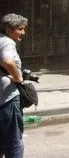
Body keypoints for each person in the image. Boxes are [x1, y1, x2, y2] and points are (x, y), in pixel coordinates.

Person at [0, 14, 26, 158]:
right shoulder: (7, 43)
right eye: (20, 29)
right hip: (7, 100)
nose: (23, 33)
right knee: (14, 141)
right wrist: (18, 78)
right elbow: (8, 61)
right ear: (9, 30)